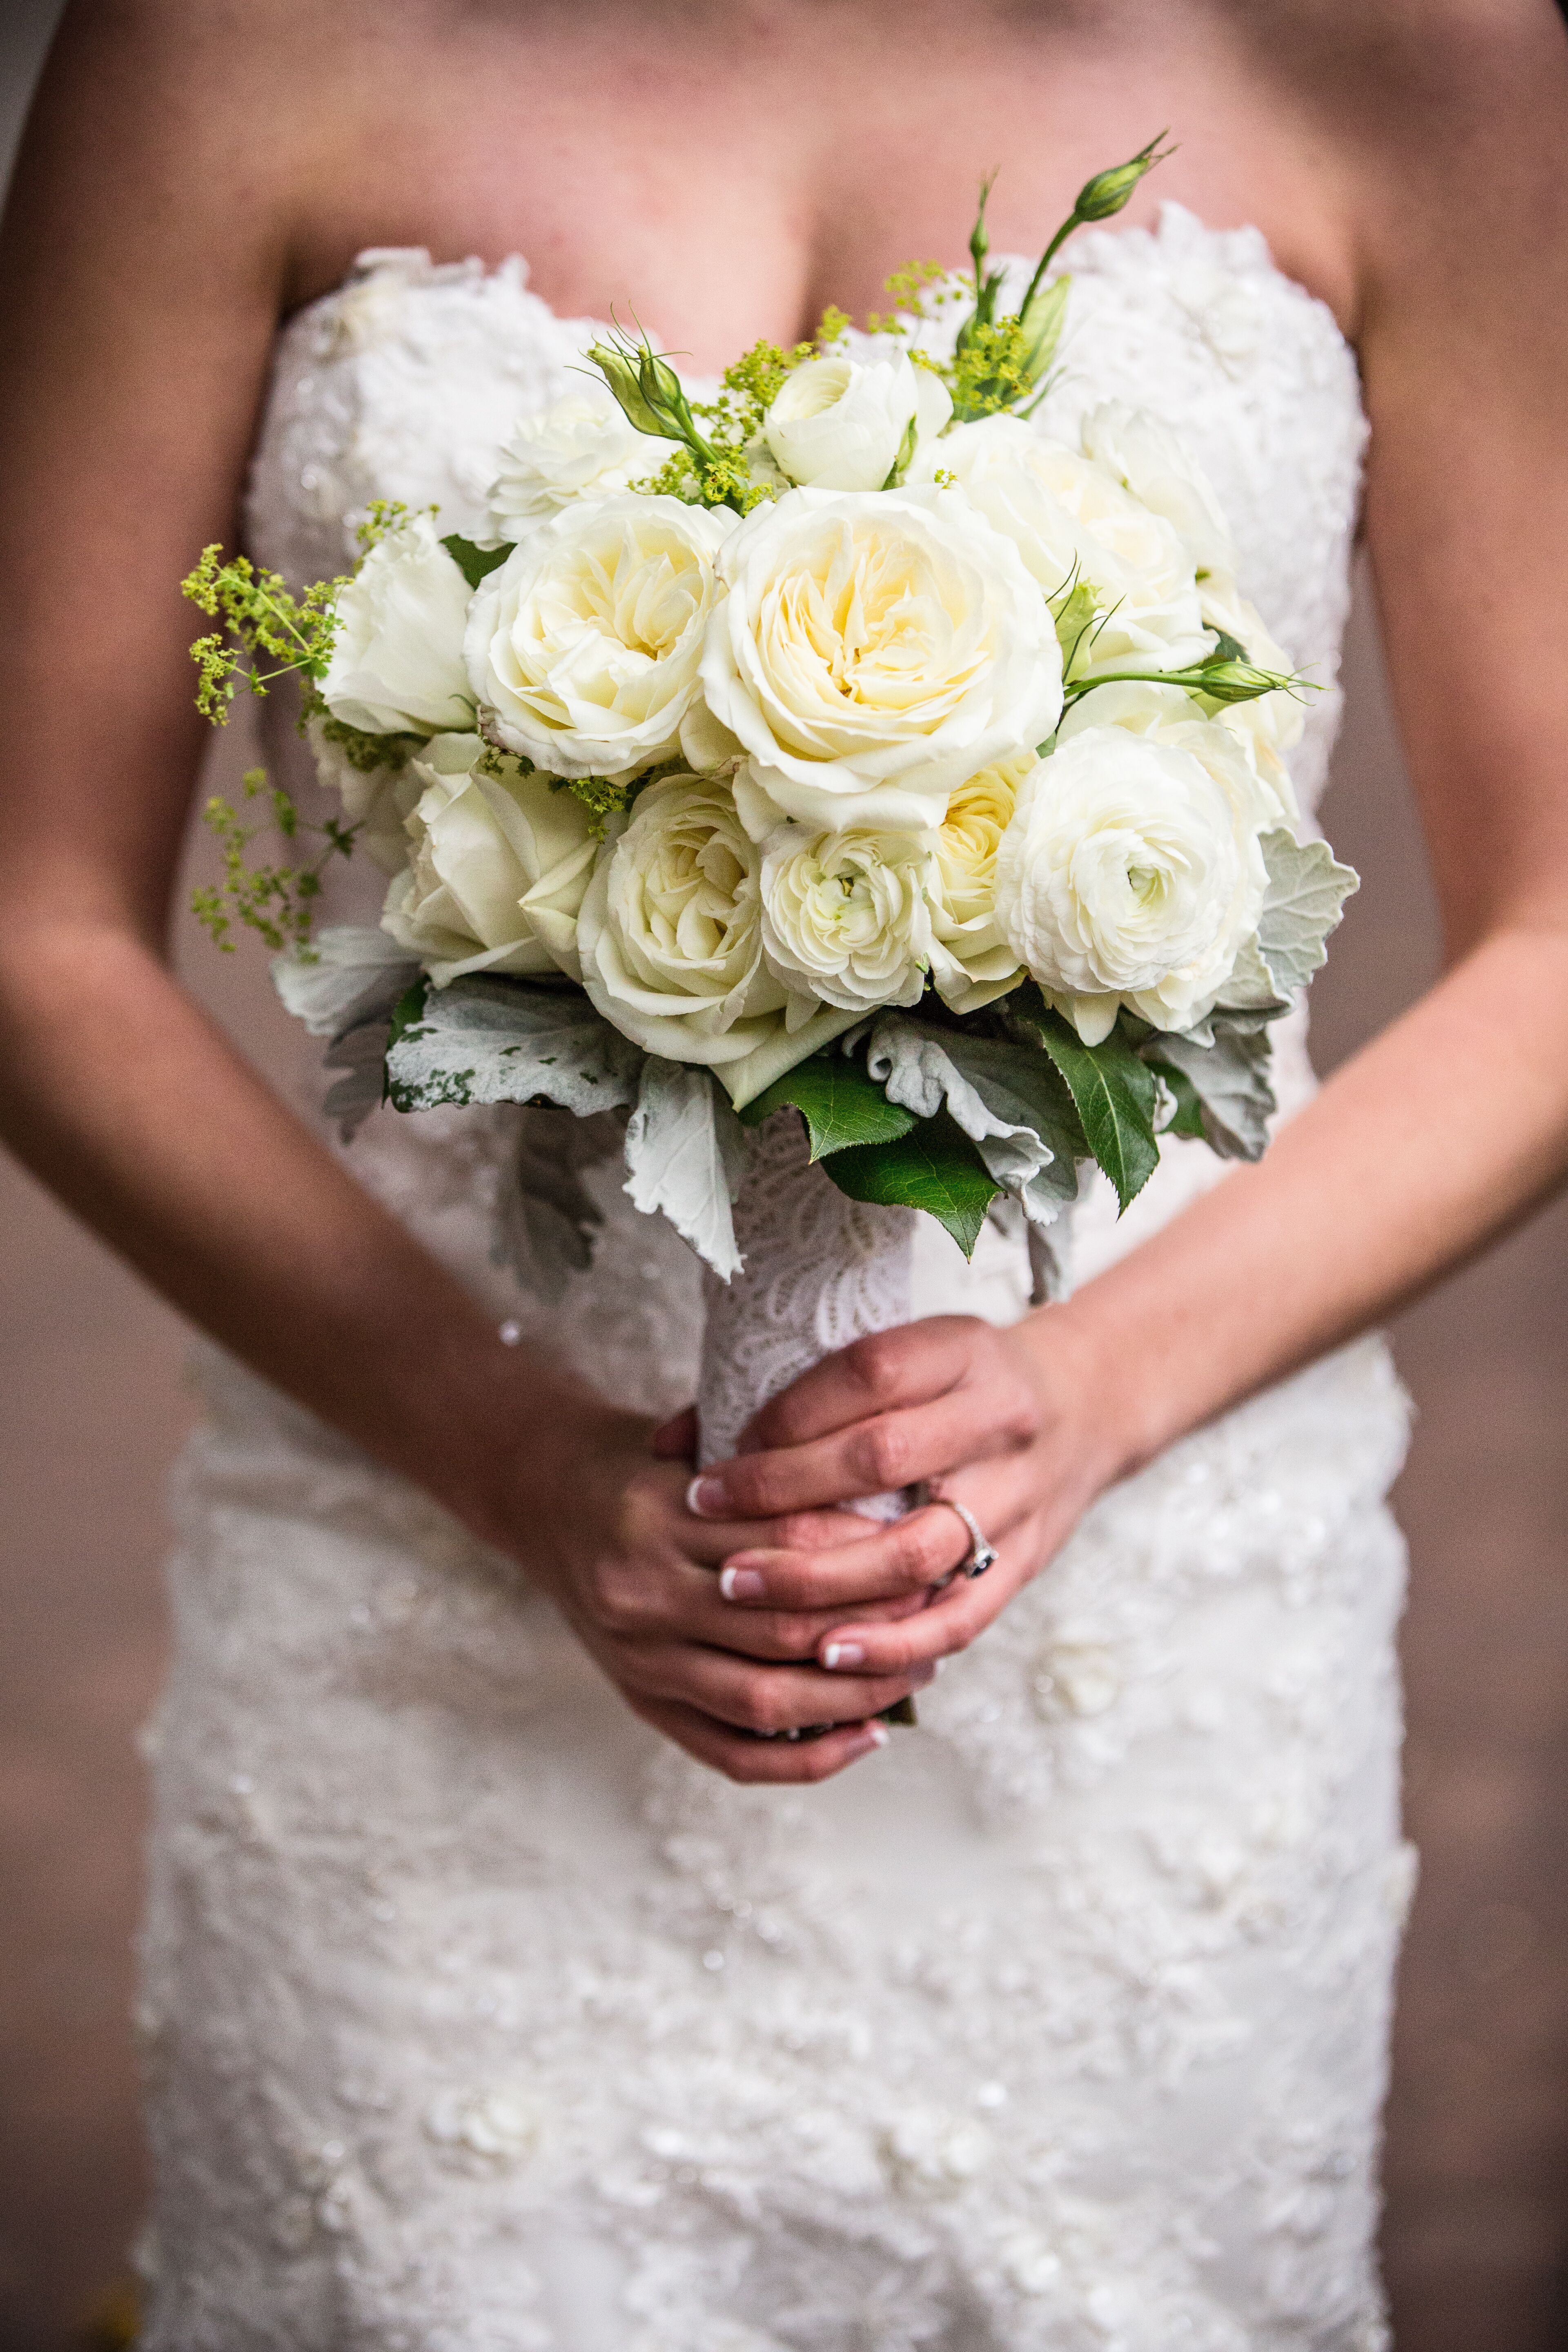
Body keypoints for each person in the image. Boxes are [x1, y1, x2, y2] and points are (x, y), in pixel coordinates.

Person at [2, 1, 1567, 2342]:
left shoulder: (1416, 49)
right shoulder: (227, 47)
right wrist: (509, 1454)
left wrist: (1101, 1389)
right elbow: (32, 928)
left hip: (1131, 1631)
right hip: (426, 1585)